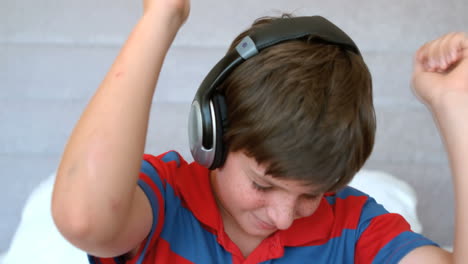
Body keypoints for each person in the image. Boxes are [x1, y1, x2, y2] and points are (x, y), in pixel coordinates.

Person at [50, 0, 466, 262]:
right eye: (263, 184)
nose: (283, 217)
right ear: (211, 135)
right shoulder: (164, 200)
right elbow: (85, 220)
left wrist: (454, 107)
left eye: (310, 194)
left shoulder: (353, 227)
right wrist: (162, 16)